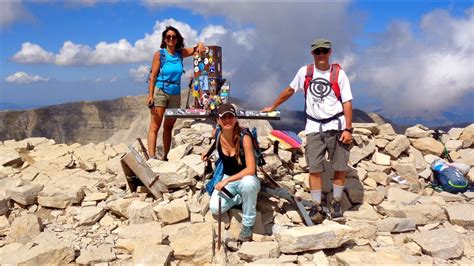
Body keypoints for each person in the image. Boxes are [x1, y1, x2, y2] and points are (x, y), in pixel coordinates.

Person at [262, 38, 353, 221]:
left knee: (339, 167)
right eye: (317, 51)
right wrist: (272, 106)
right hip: (313, 127)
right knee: (315, 169)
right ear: (312, 53)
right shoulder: (305, 72)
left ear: (330, 52)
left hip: (336, 125)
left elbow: (347, 102)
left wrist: (348, 129)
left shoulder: (339, 74)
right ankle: (317, 205)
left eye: (324, 51)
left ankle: (336, 202)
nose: (321, 55)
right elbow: (290, 90)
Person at [203, 103, 260, 241]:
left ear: (235, 119)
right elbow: (214, 140)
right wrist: (207, 153)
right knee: (215, 208)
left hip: (246, 178)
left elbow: (251, 170)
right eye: (223, 118)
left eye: (230, 117)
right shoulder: (216, 134)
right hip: (227, 178)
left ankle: (248, 224)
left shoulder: (244, 138)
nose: (227, 120)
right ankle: (240, 199)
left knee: (248, 184)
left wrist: (227, 180)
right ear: (218, 121)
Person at [147, 26, 205, 160]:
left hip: (175, 93)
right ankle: (152, 157)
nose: (171, 39)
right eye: (168, 37)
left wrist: (201, 44)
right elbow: (153, 75)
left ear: (178, 39)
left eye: (174, 37)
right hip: (161, 91)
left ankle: (165, 157)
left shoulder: (180, 54)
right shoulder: (160, 54)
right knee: (155, 125)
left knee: (169, 126)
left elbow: (196, 49)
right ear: (164, 39)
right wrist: (150, 95)